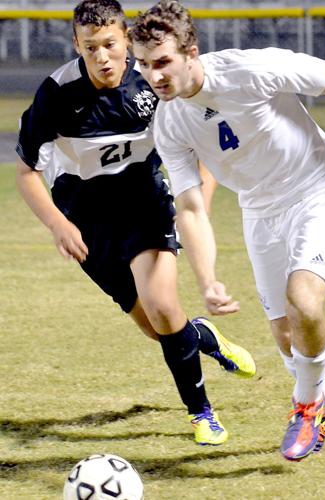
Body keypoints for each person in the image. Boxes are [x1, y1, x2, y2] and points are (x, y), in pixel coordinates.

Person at [130, 0, 325, 461]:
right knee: (284, 335)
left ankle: (308, 408)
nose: (154, 76)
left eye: (162, 62)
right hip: (259, 209)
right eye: (143, 65)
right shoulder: (169, 122)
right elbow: (192, 206)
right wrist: (208, 278)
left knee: (304, 303)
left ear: (190, 52)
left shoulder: (251, 69)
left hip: (318, 189)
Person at [15, 0, 256, 447]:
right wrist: (56, 224)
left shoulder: (152, 80)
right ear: (76, 45)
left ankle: (201, 413)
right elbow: (27, 172)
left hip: (146, 203)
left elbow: (201, 147)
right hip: (85, 222)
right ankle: (203, 336)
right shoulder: (57, 93)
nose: (102, 56)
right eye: (90, 48)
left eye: (110, 44)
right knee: (154, 326)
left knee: (163, 306)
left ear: (126, 38)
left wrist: (195, 209)